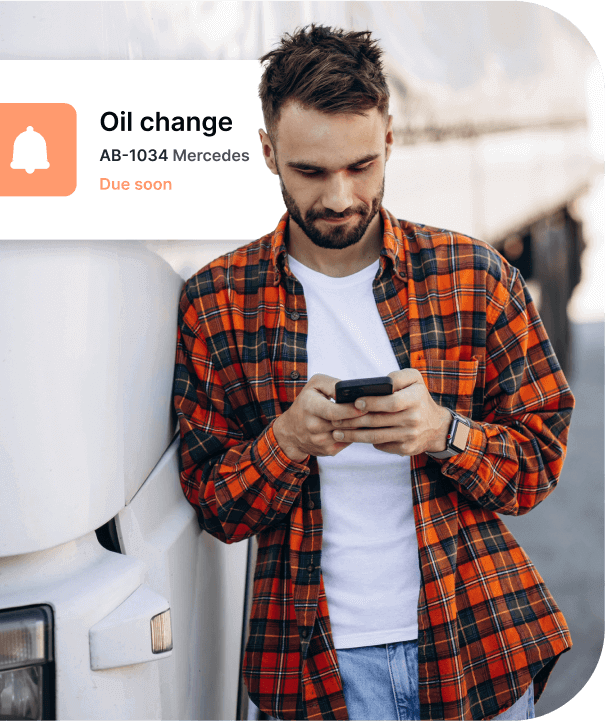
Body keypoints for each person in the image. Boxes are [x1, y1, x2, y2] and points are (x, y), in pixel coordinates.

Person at [173, 24, 574, 721]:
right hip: (308, 668)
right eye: (310, 171)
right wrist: (286, 441)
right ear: (267, 152)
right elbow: (212, 503)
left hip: (472, 646)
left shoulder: (471, 275)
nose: (337, 197)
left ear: (389, 138)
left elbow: (538, 461)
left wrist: (445, 432)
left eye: (359, 166)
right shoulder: (217, 301)